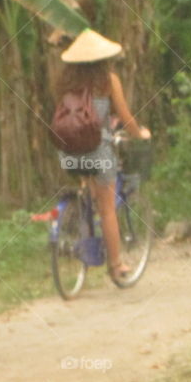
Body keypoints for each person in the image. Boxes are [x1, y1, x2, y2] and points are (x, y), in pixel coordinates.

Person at [56, 28, 150, 279]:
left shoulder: (66, 82)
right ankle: (116, 264)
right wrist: (139, 134)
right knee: (107, 208)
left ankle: (85, 241)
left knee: (89, 191)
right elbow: (125, 115)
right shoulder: (108, 81)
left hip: (68, 152)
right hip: (98, 151)